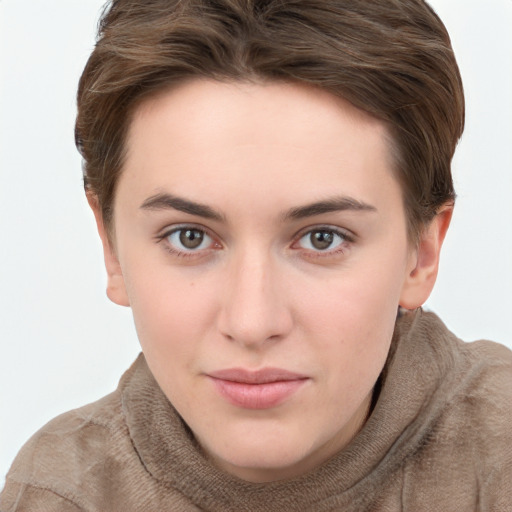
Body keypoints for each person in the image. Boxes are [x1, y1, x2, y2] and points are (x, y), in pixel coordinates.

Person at [1, 0, 511, 510]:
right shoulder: (62, 493)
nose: (251, 323)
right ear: (112, 248)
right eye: (190, 237)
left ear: (421, 253)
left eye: (322, 238)